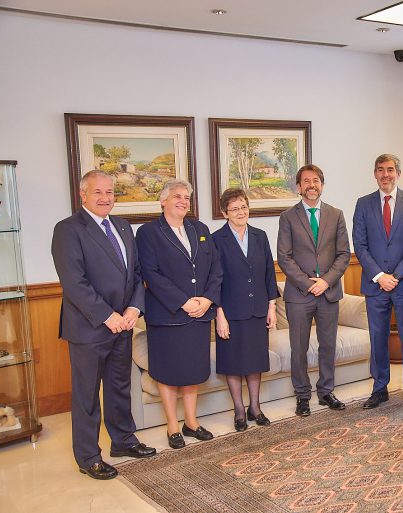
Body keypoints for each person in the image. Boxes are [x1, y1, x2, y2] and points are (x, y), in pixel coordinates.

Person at [51, 170, 156, 480]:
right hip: (89, 327)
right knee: (86, 395)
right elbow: (74, 283)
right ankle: (88, 456)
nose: (105, 198)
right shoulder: (68, 230)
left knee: (118, 388)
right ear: (83, 195)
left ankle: (123, 441)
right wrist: (108, 316)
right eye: (98, 192)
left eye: (110, 192)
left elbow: (137, 274)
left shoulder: (123, 227)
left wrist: (134, 309)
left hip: (124, 324)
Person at [136, 179, 223, 449]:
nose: (183, 201)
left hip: (200, 313)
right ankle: (172, 425)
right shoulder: (148, 232)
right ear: (163, 201)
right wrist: (183, 302)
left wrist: (207, 299)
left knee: (193, 370)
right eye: (177, 196)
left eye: (187, 197)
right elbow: (151, 274)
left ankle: (192, 422)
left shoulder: (200, 229)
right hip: (167, 315)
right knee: (169, 371)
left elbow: (215, 269)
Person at [277, 164, 351, 416]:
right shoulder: (287, 217)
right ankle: (302, 395)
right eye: (306, 181)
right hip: (300, 294)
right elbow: (284, 257)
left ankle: (326, 391)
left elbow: (343, 254)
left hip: (329, 291)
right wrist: (309, 283)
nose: (312, 185)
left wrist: (326, 281)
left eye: (316, 180)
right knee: (299, 347)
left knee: (328, 344)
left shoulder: (336, 214)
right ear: (299, 187)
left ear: (322, 184)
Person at [353, 154, 403, 410]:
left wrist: (395, 276)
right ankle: (379, 388)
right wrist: (380, 276)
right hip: (375, 284)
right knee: (378, 337)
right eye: (381, 170)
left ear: (398, 174)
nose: (386, 175)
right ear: (375, 174)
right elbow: (359, 246)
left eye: (390, 170)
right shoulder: (363, 204)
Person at [213, 188, 279, 431]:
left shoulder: (260, 236)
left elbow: (269, 275)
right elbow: (214, 280)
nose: (241, 212)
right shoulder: (216, 240)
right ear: (224, 213)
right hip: (230, 312)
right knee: (233, 363)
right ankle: (239, 411)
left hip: (257, 310)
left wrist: (271, 306)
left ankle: (255, 407)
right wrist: (219, 315)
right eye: (234, 209)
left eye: (244, 207)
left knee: (254, 362)